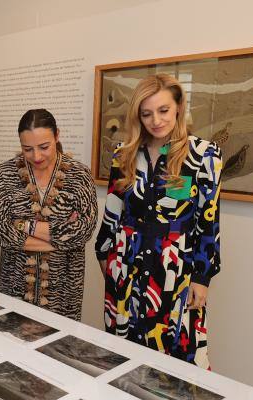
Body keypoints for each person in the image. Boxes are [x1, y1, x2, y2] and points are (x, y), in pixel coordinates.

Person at [95, 73, 222, 368]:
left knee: (173, 357)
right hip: (125, 263)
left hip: (174, 269)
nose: (156, 121)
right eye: (147, 113)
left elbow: (208, 220)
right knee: (122, 355)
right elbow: (113, 209)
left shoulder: (203, 155)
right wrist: (104, 253)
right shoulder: (124, 154)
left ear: (178, 106)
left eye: (163, 110)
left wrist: (202, 278)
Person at [0, 109, 97, 319]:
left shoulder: (79, 175)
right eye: (27, 149)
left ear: (57, 135)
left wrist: (22, 225)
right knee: (12, 342)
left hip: (64, 289)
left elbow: (83, 231)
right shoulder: (5, 174)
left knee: (59, 347)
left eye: (44, 147)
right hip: (15, 284)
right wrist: (60, 238)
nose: (36, 156)